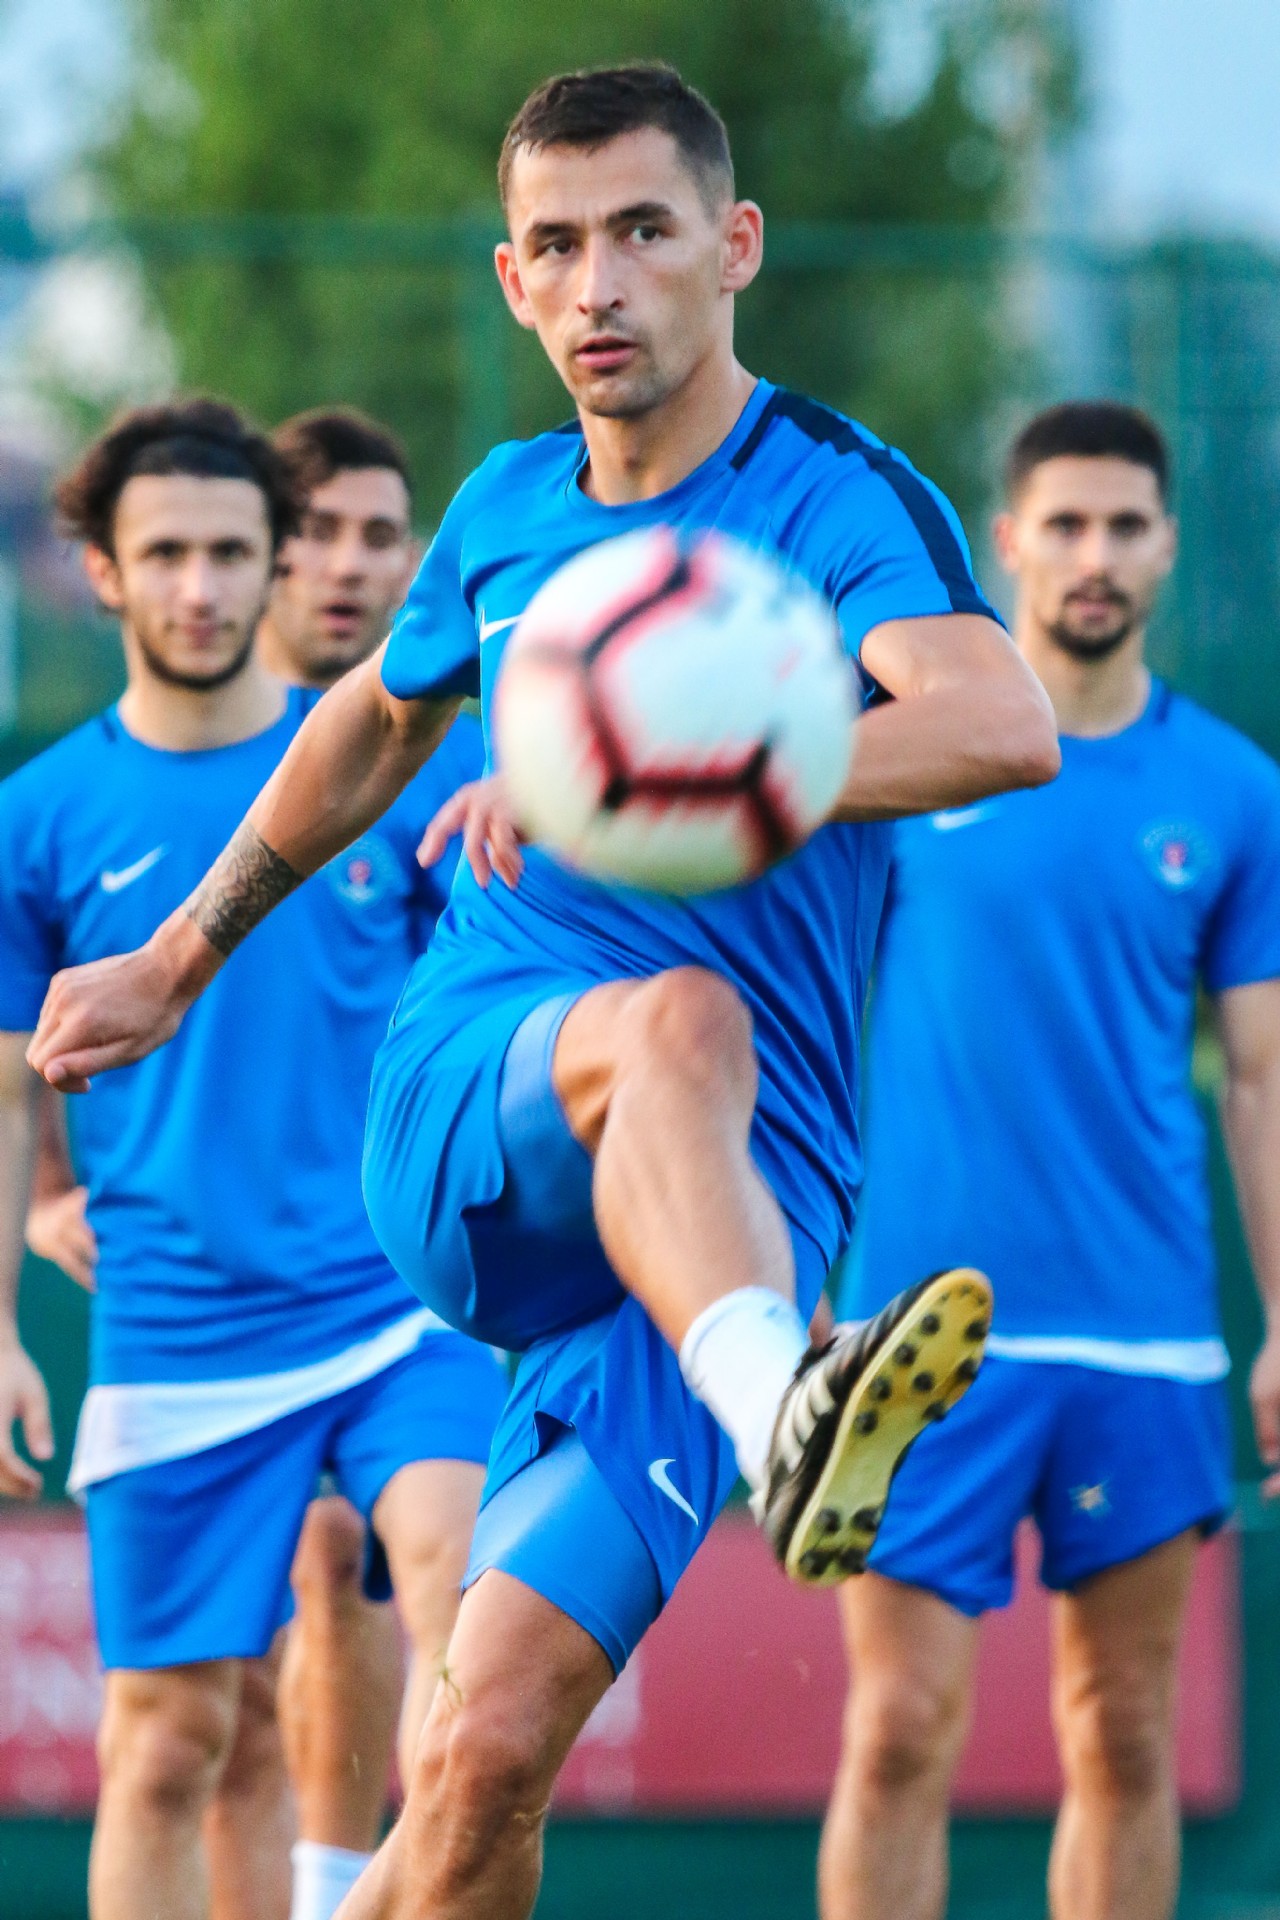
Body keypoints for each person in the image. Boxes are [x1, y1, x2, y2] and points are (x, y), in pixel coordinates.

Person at [25, 67, 1060, 1920]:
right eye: (559, 245)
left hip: (729, 1208)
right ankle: (782, 1402)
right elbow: (367, 724)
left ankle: (765, 1383)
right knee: (679, 1019)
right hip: (482, 1103)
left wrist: (667, 754)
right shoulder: (505, 511)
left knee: (484, 1761)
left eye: (645, 232)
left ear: (734, 248)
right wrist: (180, 955)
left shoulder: (836, 497)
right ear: (511, 280)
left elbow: (1000, 726)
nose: (602, 284)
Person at [0, 396, 507, 1920]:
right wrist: (10, 1306)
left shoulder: (383, 767)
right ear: (102, 570)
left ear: (274, 563)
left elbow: (495, 1008)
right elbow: (12, 1094)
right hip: (177, 1331)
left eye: (232, 552)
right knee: (168, 1747)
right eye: (166, 554)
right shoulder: (39, 816)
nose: (201, 586)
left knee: (472, 1655)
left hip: (397, 1301)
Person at [820, 402, 1280, 1920]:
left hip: (1142, 1336)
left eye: (1125, 526)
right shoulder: (897, 760)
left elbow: (1264, 1076)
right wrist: (795, 1276)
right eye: (1065, 524)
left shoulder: (1234, 792)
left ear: (1166, 546)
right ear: (1009, 542)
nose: (1095, 555)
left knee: (1126, 1735)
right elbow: (791, 1017)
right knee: (897, 1733)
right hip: (910, 1331)